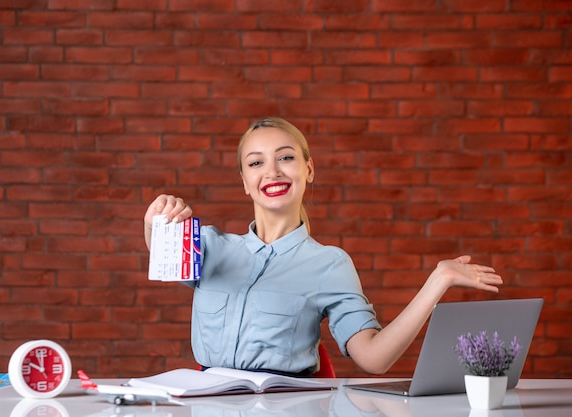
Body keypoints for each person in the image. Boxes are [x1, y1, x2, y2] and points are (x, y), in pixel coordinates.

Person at [143, 117, 502, 376]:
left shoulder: (330, 265)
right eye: (256, 163)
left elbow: (375, 359)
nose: (272, 171)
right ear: (245, 182)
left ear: (309, 169)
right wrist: (155, 221)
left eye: (286, 157)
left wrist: (437, 281)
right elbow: (161, 256)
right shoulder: (208, 246)